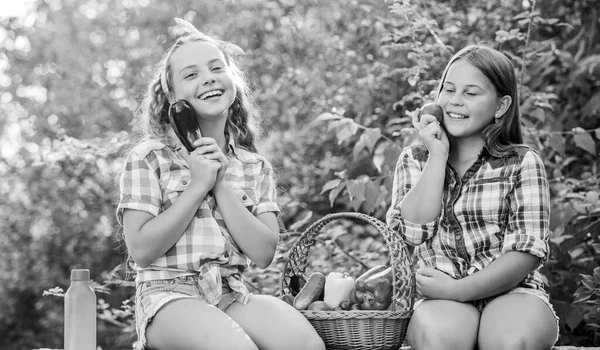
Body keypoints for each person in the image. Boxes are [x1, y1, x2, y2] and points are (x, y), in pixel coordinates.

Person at [116, 18, 325, 350]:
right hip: (167, 297)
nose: (208, 78)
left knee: (306, 345)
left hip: (230, 294)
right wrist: (197, 185)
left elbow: (263, 252)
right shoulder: (149, 158)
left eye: (216, 68)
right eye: (191, 74)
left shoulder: (254, 167)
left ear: (233, 80)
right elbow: (141, 251)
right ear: (172, 95)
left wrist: (218, 183)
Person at [386, 44, 559, 350]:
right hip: (437, 297)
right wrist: (436, 156)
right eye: (448, 89)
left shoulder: (522, 162)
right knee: (439, 339)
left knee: (509, 341)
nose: (455, 101)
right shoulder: (415, 158)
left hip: (513, 293)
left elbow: (526, 252)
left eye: (471, 93)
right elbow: (411, 233)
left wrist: (460, 290)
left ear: (501, 105)